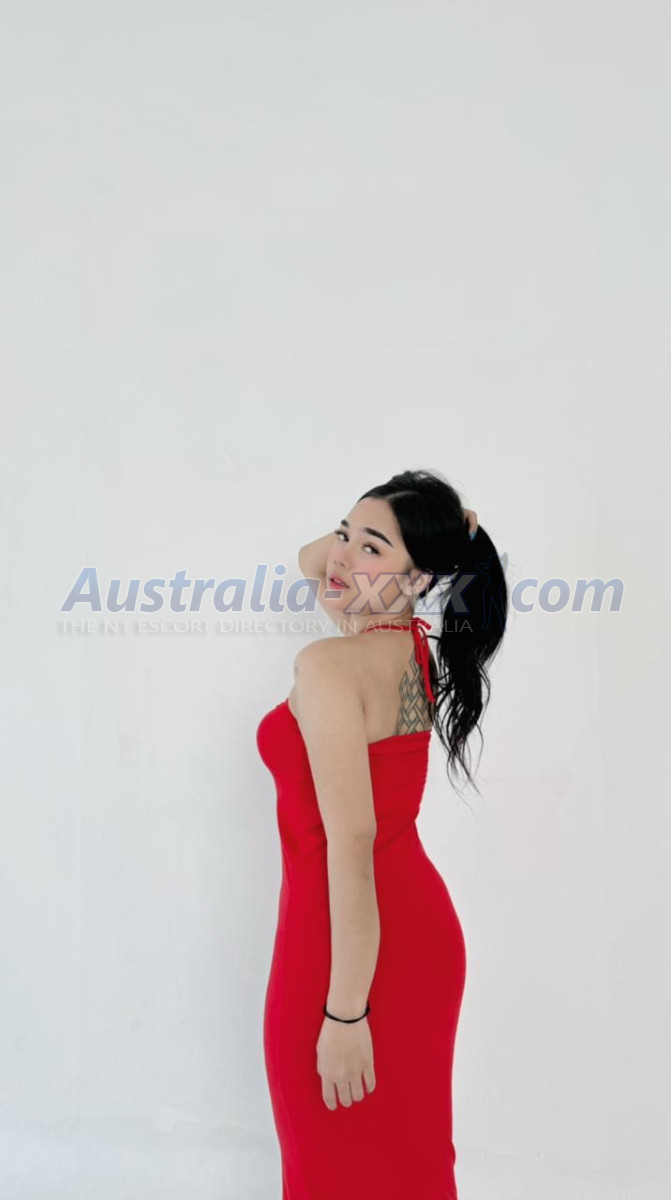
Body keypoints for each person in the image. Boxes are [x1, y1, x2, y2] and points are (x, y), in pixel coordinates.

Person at [256, 467, 508, 1199]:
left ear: (419, 578)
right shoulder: (404, 647)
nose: (339, 556)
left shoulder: (331, 666)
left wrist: (345, 1012)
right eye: (344, 532)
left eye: (371, 548)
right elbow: (313, 561)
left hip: (345, 947)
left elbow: (352, 849)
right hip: (409, 936)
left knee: (333, 1169)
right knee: (402, 1168)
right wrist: (394, 534)